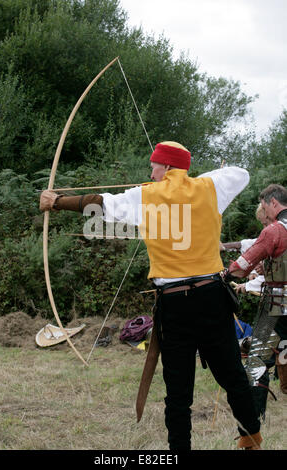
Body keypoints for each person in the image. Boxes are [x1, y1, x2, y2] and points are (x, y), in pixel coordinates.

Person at [40, 141, 262, 450]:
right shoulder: (210, 187)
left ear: (167, 166)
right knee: (233, 375)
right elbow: (240, 174)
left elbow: (99, 203)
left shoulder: (144, 196)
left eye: (155, 165)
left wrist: (56, 202)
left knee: (178, 391)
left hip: (176, 304)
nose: (151, 170)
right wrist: (189, 178)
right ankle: (252, 439)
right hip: (213, 298)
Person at [228, 184, 287, 405]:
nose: (266, 214)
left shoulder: (275, 230)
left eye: (264, 206)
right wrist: (269, 264)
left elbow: (243, 264)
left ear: (273, 202)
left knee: (257, 359)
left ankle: (254, 421)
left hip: (278, 302)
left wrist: (225, 274)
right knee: (283, 349)